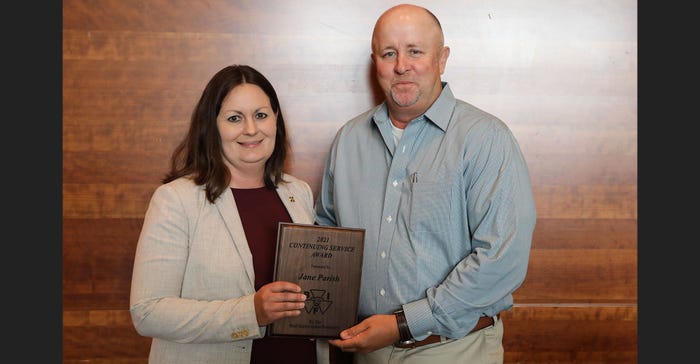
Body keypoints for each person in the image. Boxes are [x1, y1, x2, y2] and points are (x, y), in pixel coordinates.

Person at [314, 4, 537, 363]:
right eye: (389, 53)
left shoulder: (485, 138)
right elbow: (326, 233)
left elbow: (501, 260)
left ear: (442, 58)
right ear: (376, 62)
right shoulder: (349, 140)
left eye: (415, 51)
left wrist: (404, 323)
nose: (402, 64)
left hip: (455, 349)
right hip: (365, 351)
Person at [129, 64, 331, 364]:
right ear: (212, 126)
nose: (251, 129)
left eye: (261, 115)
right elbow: (148, 312)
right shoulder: (176, 200)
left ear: (276, 119)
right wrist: (251, 313)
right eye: (235, 118)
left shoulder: (297, 192)